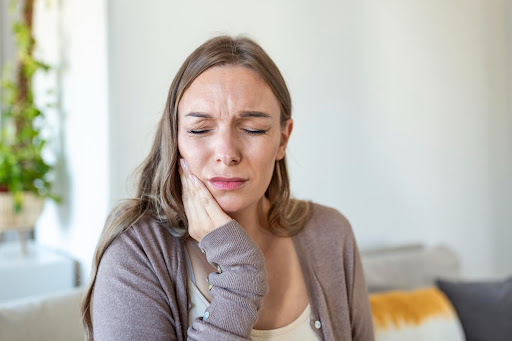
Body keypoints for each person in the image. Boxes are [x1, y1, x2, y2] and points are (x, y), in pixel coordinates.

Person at [81, 35, 375, 341]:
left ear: (283, 139)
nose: (226, 152)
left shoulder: (330, 233)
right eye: (200, 129)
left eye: (252, 129)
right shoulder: (136, 253)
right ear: (176, 138)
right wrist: (240, 271)